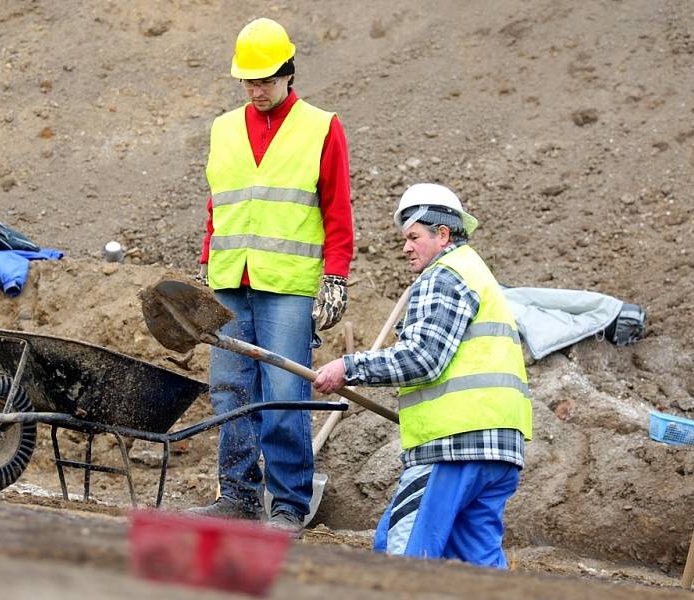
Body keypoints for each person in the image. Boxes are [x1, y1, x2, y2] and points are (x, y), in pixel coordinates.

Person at [190, 17, 354, 535]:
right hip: (229, 280)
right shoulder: (222, 128)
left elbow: (337, 209)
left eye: (265, 80)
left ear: (289, 72)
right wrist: (206, 260)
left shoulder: (321, 126)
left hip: (288, 284)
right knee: (229, 390)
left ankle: (287, 503)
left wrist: (336, 276)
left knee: (284, 390)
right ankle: (237, 494)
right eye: (248, 81)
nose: (256, 90)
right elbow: (220, 204)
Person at [313, 183, 531, 567]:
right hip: (498, 447)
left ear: (442, 234)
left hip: (453, 446)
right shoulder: (478, 272)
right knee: (477, 566)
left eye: (414, 237)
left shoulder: (444, 275)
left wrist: (350, 367)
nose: (406, 247)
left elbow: (423, 359)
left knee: (403, 555)